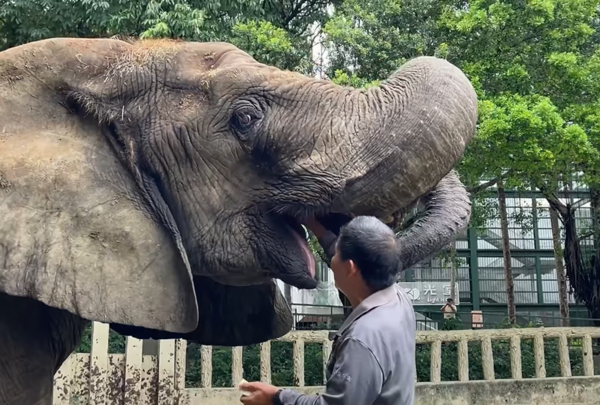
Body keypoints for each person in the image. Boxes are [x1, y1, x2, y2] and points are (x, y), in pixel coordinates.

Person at [240, 216, 416, 405]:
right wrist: (312, 224)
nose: (332, 259)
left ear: (350, 268)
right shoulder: (399, 299)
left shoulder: (362, 341)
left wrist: (276, 398)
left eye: (336, 255)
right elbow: (337, 247)